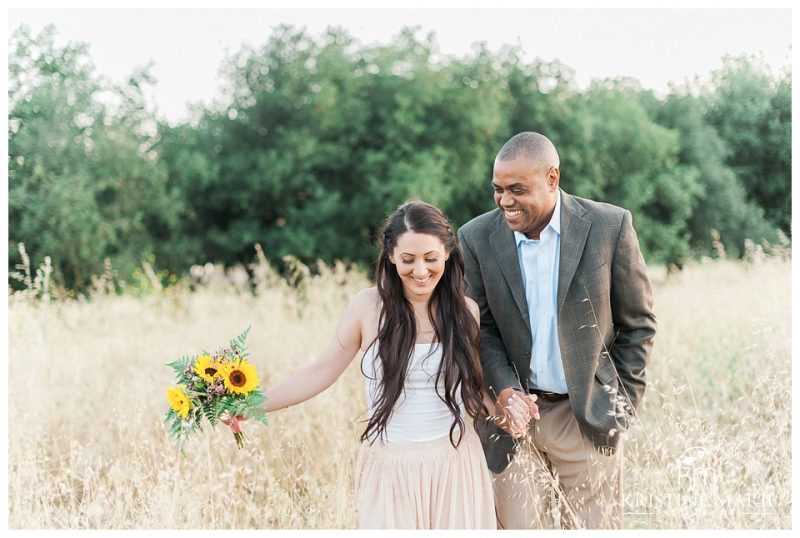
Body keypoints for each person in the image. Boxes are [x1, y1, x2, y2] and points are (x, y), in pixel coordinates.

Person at [225, 201, 532, 529]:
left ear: (446, 253)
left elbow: (473, 389)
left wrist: (510, 413)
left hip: (455, 462)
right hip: (389, 466)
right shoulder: (367, 307)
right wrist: (255, 404)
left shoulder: (465, 311)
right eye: (408, 260)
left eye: (430, 258)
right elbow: (321, 370)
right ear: (390, 256)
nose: (420, 270)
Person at [458, 132, 657, 529]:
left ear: (553, 178)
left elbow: (638, 325)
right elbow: (482, 329)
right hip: (510, 422)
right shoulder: (475, 237)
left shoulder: (609, 226)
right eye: (498, 189)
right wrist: (504, 391)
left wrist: (616, 409)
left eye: (518, 189)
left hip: (584, 416)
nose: (505, 201)